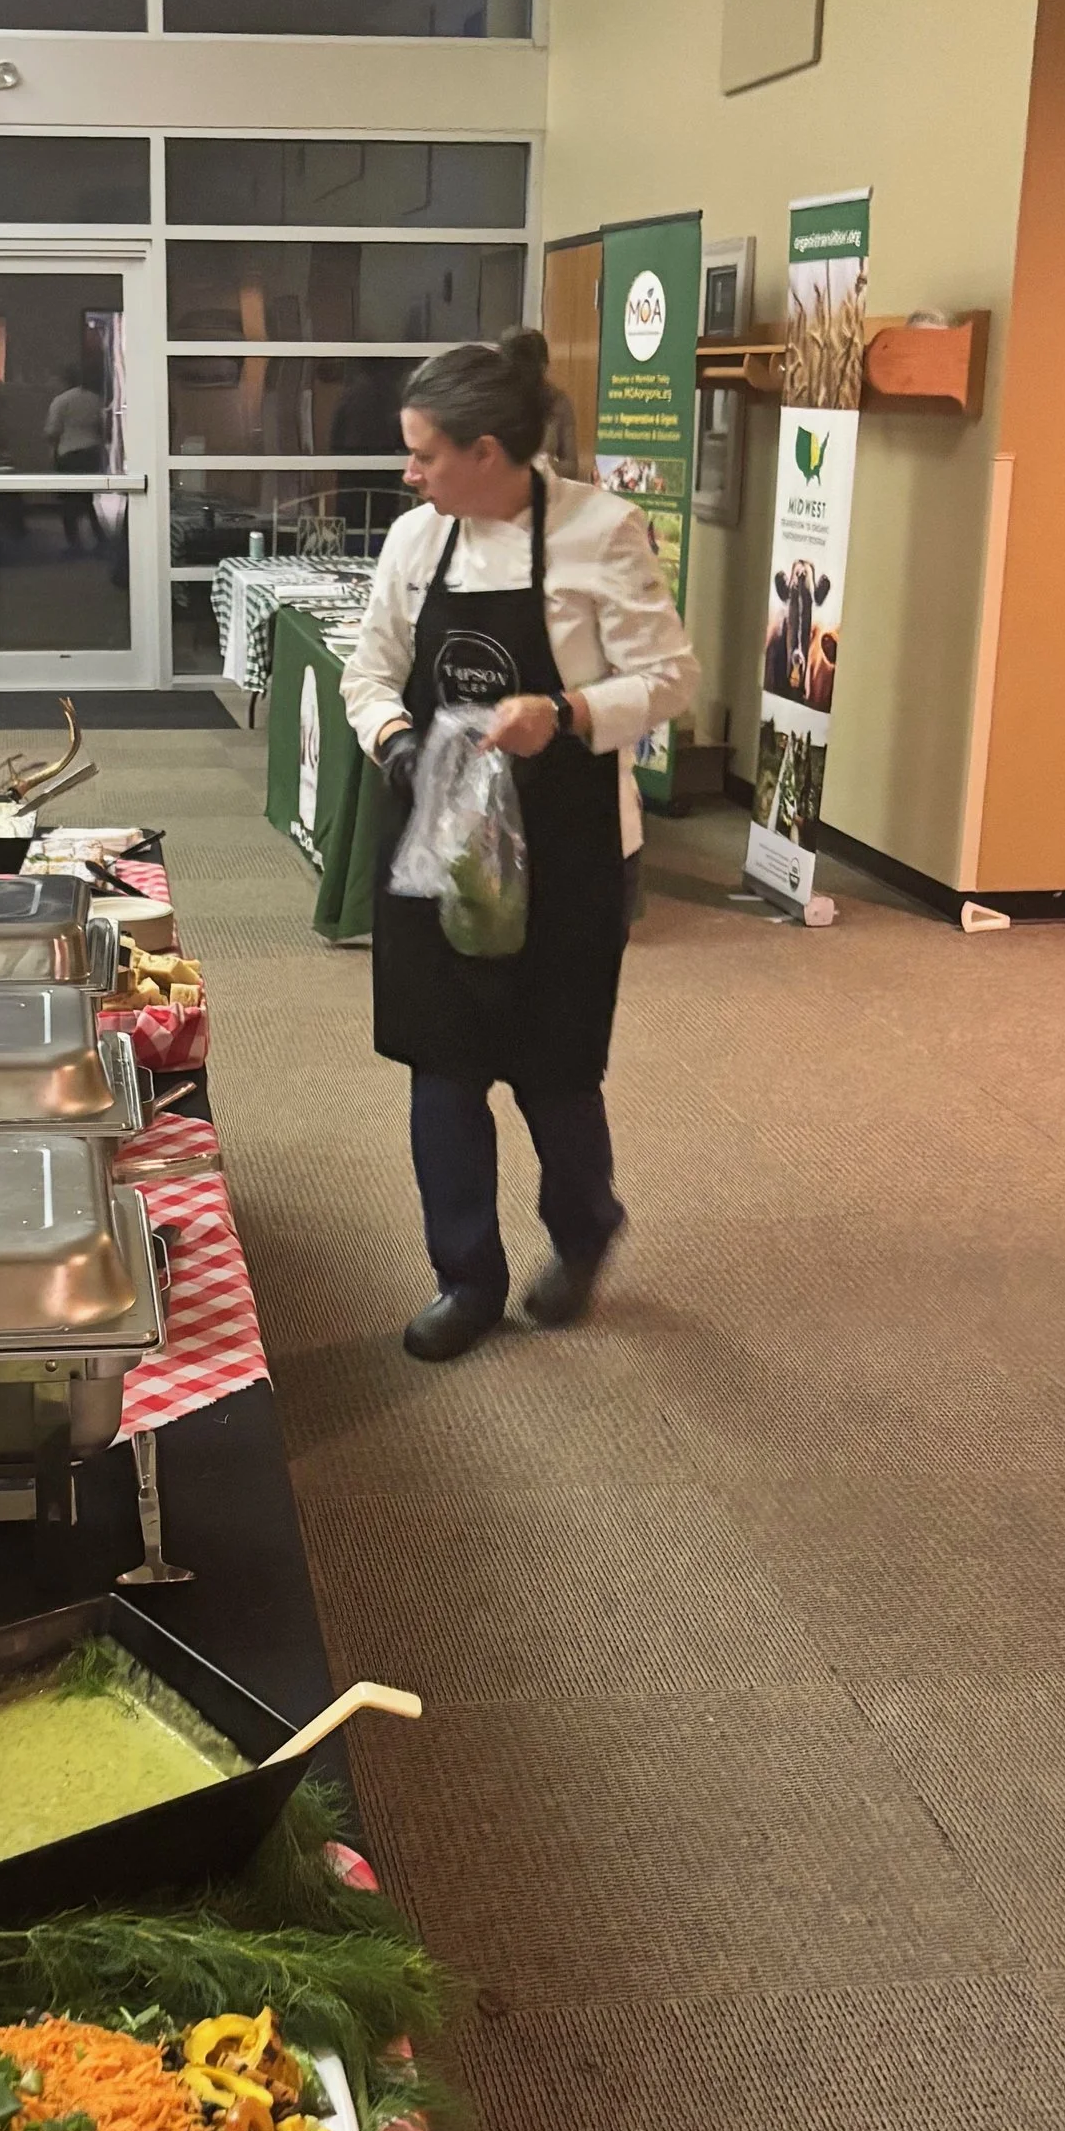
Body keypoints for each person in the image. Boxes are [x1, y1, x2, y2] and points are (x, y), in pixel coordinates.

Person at [339, 328, 698, 1363]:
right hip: (437, 849)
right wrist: (397, 745)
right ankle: (467, 1277)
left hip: (569, 852)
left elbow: (672, 680)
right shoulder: (416, 542)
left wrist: (570, 710)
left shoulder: (600, 530)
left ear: (488, 451)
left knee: (553, 1074)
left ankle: (585, 1232)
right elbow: (367, 675)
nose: (409, 474)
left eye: (423, 454)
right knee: (440, 1072)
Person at [44, 362, 106, 549]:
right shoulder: (95, 399)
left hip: (69, 452)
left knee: (69, 501)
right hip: (92, 451)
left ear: (64, 380)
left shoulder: (61, 401)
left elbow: (52, 431)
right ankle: (100, 537)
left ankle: (74, 542)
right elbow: (102, 427)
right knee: (88, 499)